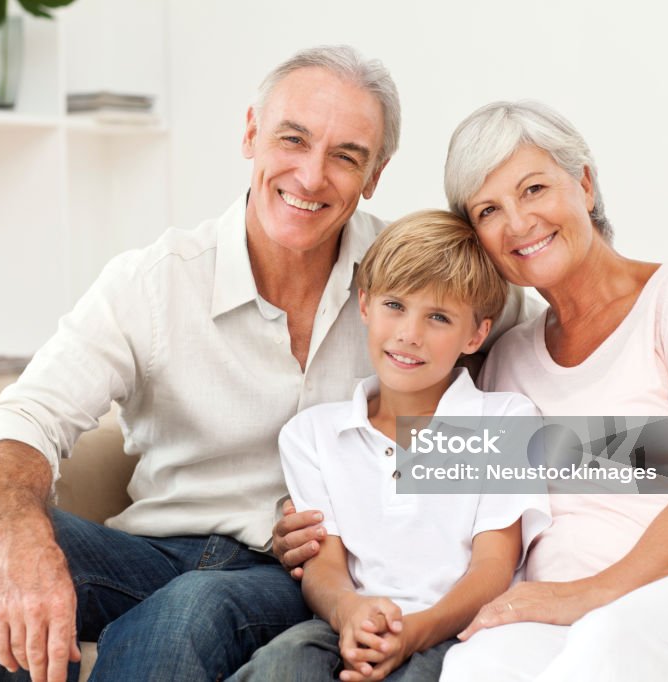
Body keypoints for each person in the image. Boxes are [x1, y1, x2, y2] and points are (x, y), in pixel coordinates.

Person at [0, 46, 534, 682]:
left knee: (194, 606)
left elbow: (523, 395)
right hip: (153, 551)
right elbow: (22, 419)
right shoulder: (154, 284)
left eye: (346, 156)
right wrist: (24, 543)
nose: (311, 176)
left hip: (296, 575)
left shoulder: (413, 286)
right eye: (293, 139)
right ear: (251, 132)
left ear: (376, 174)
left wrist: (643, 457)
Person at [431, 101, 668, 680]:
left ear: (584, 183)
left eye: (533, 188)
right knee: (476, 666)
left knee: (608, 648)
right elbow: (458, 495)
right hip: (575, 609)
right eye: (489, 209)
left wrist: (590, 594)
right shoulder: (504, 358)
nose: (518, 222)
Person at [230, 210, 550, 682]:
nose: (409, 334)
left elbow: (493, 568)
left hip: (456, 631)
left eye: (438, 317)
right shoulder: (312, 435)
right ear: (365, 305)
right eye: (395, 305)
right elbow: (325, 568)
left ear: (476, 334)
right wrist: (350, 614)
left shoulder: (505, 421)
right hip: (350, 621)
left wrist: (414, 632)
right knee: (283, 663)